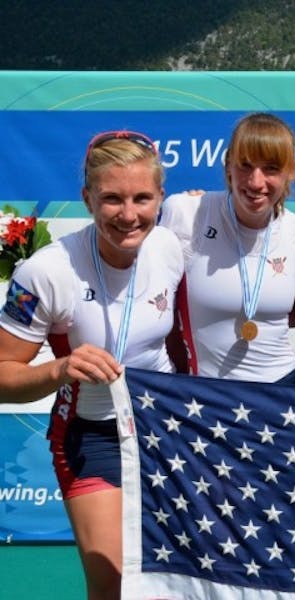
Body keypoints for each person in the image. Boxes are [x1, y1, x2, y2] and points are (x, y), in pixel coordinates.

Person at [0, 131, 183, 599]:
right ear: (87, 198)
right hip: (93, 433)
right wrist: (59, 371)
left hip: (167, 431)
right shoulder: (46, 271)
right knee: (115, 581)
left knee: (179, 578)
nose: (128, 214)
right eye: (112, 199)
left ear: (161, 196)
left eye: (143, 197)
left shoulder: (170, 247)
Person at [160, 113, 295, 383]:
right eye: (245, 165)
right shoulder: (187, 213)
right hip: (208, 394)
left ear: (292, 171)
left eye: (272, 168)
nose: (256, 182)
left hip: (284, 389)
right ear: (228, 164)